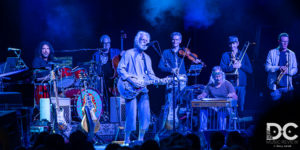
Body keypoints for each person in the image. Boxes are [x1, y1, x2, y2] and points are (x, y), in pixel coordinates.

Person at [117, 31, 161, 144]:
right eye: (143, 40)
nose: (145, 43)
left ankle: (140, 139)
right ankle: (127, 139)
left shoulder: (147, 58)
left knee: (145, 114)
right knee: (131, 114)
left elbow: (151, 75)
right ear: (137, 41)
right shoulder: (128, 53)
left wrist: (160, 80)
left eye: (147, 41)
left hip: (143, 89)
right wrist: (131, 80)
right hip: (130, 88)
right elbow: (120, 69)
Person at [197, 66, 238, 130]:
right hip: (213, 107)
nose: (218, 77)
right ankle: (202, 130)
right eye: (216, 76)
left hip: (224, 107)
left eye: (219, 75)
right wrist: (201, 96)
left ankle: (222, 131)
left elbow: (235, 97)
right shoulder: (210, 85)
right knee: (203, 109)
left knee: (222, 112)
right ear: (213, 76)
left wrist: (232, 95)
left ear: (222, 75)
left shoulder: (227, 84)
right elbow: (204, 94)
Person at [220, 36, 252, 113]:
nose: (232, 46)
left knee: (240, 108)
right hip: (230, 86)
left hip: (241, 86)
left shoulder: (243, 54)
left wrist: (241, 66)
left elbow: (250, 70)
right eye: (230, 44)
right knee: (230, 108)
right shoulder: (225, 55)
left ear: (237, 43)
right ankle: (230, 124)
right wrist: (232, 67)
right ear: (228, 45)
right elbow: (221, 70)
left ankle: (239, 124)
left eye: (234, 43)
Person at [265, 32, 298, 101]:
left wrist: (288, 72)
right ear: (279, 41)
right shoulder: (271, 52)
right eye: (283, 41)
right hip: (275, 87)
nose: (285, 43)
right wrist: (278, 67)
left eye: (287, 41)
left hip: (288, 87)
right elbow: (267, 68)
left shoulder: (292, 54)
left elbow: (295, 68)